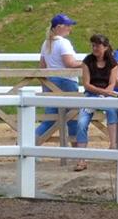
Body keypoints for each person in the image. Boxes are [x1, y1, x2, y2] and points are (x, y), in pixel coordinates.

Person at [73, 34, 118, 172]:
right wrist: (102, 92)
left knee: (112, 110)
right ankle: (81, 158)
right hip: (91, 94)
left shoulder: (113, 63)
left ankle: (113, 146)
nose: (94, 48)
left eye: (97, 46)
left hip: (106, 94)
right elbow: (86, 84)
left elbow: (112, 83)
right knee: (81, 122)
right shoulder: (88, 61)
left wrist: (105, 93)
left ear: (105, 47)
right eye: (93, 45)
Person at [34, 14, 84, 144]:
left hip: (51, 82)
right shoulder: (64, 43)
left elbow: (42, 66)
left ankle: (29, 141)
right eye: (67, 26)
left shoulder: (46, 43)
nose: (69, 28)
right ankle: (77, 150)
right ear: (59, 27)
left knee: (50, 119)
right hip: (67, 82)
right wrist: (87, 63)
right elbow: (70, 63)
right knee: (73, 117)